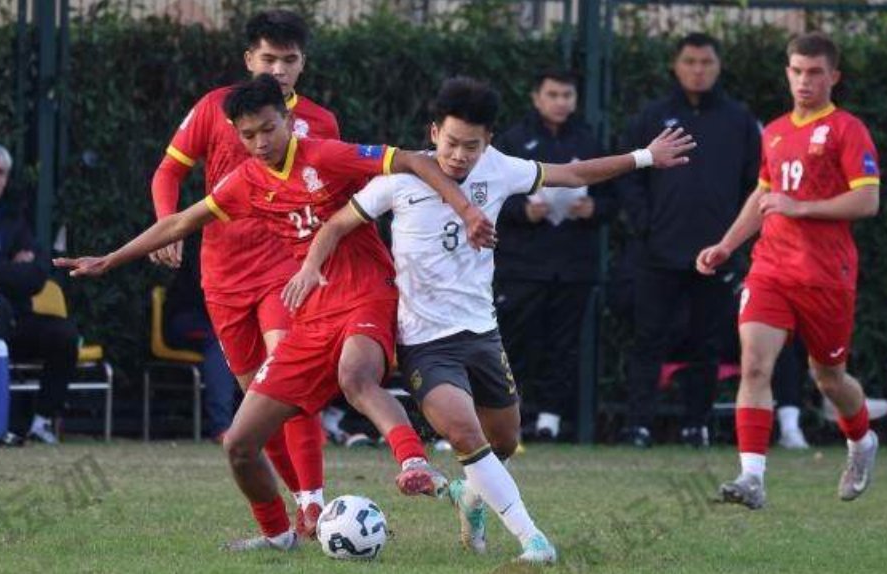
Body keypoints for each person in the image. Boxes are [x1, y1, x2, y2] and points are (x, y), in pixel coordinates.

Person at [56, 73, 494, 551]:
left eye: (269, 129)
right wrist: (110, 259)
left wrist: (465, 210)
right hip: (312, 311)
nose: (260, 143)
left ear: (288, 119)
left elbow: (411, 159)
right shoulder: (244, 181)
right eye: (248, 135)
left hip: (366, 291)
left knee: (356, 375)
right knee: (239, 444)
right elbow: (182, 220)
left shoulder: (325, 154)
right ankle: (279, 536)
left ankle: (412, 462)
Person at [281, 77, 694, 563]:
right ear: (434, 132)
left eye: (471, 146)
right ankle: (533, 540)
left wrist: (644, 156)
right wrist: (311, 267)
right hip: (424, 341)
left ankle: (472, 497)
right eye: (451, 142)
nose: (459, 155)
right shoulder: (399, 178)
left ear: (488, 143)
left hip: (481, 333)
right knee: (465, 435)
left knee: (503, 441)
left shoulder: (500, 169)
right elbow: (335, 225)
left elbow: (573, 173)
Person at [149, 9, 338, 536]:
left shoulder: (320, 123)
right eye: (268, 58)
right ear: (248, 59)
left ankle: (313, 504)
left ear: (302, 64)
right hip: (223, 273)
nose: (278, 69)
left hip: (286, 267)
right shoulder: (215, 108)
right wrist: (170, 224)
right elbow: (169, 171)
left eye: (289, 60)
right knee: (258, 395)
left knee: (285, 375)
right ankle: (288, 514)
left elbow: (333, 200)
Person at [697, 32, 880, 509]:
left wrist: (799, 207)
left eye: (815, 72)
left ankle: (861, 442)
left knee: (829, 378)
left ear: (833, 76)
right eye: (797, 70)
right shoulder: (775, 131)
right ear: (787, 72)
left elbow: (867, 199)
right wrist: (726, 243)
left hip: (826, 276)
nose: (805, 80)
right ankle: (751, 477)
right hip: (771, 269)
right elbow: (764, 198)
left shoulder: (846, 129)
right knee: (755, 364)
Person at [618, 32, 761, 447]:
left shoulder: (739, 120)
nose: (698, 70)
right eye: (690, 62)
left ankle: (696, 424)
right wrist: (646, 225)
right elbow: (629, 177)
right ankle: (638, 425)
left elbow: (756, 184)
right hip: (658, 251)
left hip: (717, 252)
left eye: (706, 63)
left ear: (718, 67)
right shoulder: (652, 116)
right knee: (649, 339)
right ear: (676, 66)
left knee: (707, 342)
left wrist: (734, 241)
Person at [492, 70, 618, 440]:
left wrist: (593, 209)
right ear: (536, 97)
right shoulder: (515, 140)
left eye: (567, 94)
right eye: (553, 94)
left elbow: (614, 197)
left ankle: (549, 419)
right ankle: (508, 416)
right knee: (513, 341)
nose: (561, 102)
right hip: (523, 266)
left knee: (563, 347)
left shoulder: (589, 140)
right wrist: (521, 212)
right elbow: (491, 196)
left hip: (573, 265)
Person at [0, 141, 79, 445]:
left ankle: (40, 422)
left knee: (63, 335)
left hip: (15, 317)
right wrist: (10, 268)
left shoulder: (14, 220)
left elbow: (37, 277)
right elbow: (21, 277)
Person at [163, 236, 236, 442]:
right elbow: (207, 295)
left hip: (219, 319)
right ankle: (222, 427)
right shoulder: (205, 245)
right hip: (188, 318)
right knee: (219, 342)